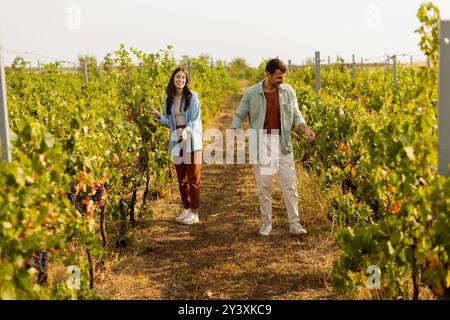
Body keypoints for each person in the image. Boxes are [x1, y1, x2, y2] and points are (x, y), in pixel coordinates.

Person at [231, 58, 316, 236]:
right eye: (278, 77)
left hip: (283, 142)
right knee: (265, 187)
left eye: (283, 77)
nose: (282, 81)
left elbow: (296, 114)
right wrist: (234, 128)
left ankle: (294, 223)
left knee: (290, 185)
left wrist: (305, 129)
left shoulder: (288, 91)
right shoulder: (252, 93)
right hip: (262, 143)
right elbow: (240, 112)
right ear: (267, 74)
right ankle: (266, 223)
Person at [150, 66, 203, 225]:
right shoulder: (168, 100)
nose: (180, 80)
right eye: (178, 77)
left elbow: (195, 119)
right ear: (173, 80)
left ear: (186, 81)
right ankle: (186, 208)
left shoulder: (192, 97)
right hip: (176, 139)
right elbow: (169, 123)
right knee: (181, 179)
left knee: (193, 177)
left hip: (191, 139)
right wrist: (159, 116)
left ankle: (195, 212)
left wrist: (187, 130)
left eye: (183, 78)